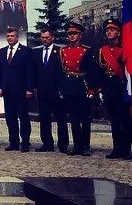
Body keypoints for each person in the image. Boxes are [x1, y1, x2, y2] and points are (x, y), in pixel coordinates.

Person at [60, 21, 97, 156]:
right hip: (69, 85)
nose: (71, 36)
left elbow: (92, 71)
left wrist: (92, 88)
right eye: (69, 34)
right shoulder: (63, 50)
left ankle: (85, 145)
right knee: (73, 118)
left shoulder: (86, 50)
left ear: (80, 35)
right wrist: (62, 87)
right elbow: (61, 71)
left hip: (82, 85)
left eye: (74, 33)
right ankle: (77, 145)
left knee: (85, 118)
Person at [98, 18, 131, 160]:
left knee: (126, 121)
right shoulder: (102, 50)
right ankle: (116, 148)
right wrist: (100, 89)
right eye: (107, 30)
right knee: (115, 121)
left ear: (118, 32)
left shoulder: (125, 49)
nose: (109, 32)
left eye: (112, 30)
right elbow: (100, 72)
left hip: (122, 88)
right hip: (109, 89)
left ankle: (126, 150)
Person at [0, 27, 35, 152]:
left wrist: (29, 88)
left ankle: (25, 142)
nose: (10, 38)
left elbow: (30, 72)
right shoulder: (2, 52)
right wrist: (0, 87)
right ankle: (13, 142)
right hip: (7, 90)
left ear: (17, 37)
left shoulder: (25, 51)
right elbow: (0, 71)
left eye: (12, 36)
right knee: (10, 117)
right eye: (8, 36)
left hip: (21, 90)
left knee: (23, 117)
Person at [32, 26, 68, 152]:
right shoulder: (36, 52)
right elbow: (34, 72)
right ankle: (47, 143)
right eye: (42, 38)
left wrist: (62, 88)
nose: (44, 40)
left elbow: (63, 72)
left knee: (61, 118)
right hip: (42, 91)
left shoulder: (60, 51)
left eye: (47, 37)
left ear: (53, 37)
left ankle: (63, 144)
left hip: (57, 91)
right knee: (44, 118)